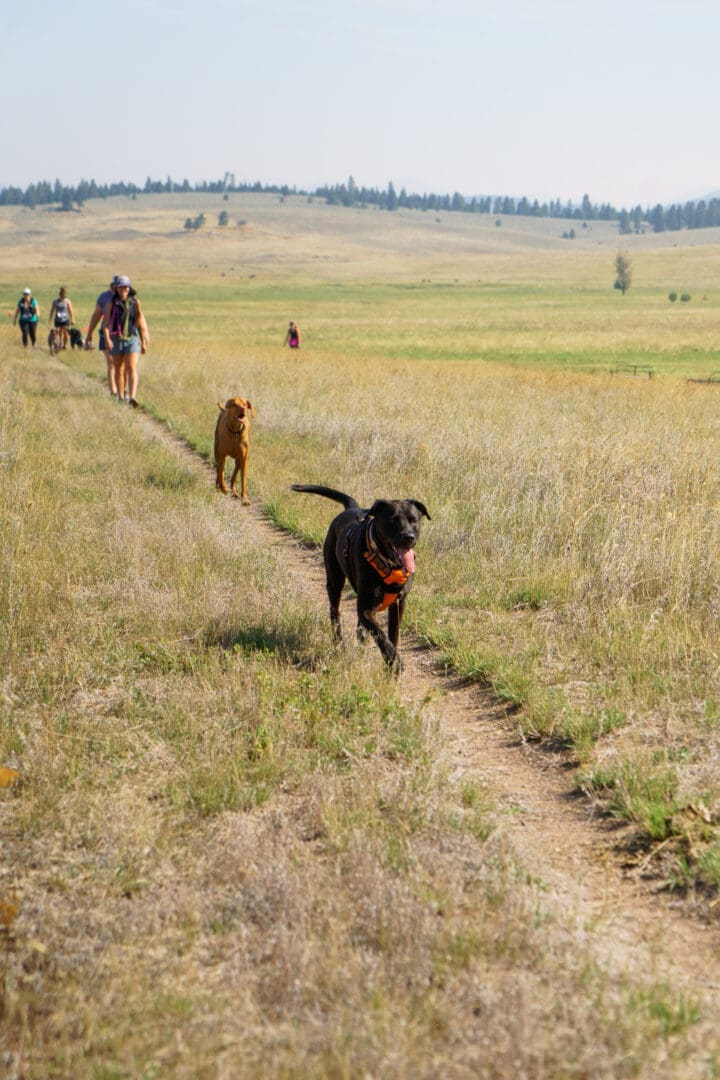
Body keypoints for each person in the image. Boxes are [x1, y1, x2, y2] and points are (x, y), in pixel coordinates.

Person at [102, 276, 149, 407]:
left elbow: (139, 321)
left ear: (129, 288)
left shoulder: (135, 302)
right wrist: (107, 339)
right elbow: (105, 324)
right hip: (116, 338)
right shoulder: (111, 304)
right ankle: (121, 397)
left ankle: (132, 397)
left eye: (126, 286)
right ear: (116, 288)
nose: (124, 289)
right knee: (119, 368)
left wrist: (143, 340)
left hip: (132, 337)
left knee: (131, 366)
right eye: (121, 286)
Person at [86, 278, 118, 397]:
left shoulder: (126, 296)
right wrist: (89, 334)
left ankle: (121, 389)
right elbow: (96, 316)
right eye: (116, 285)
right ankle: (113, 392)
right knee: (111, 362)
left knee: (121, 364)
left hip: (121, 334)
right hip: (106, 333)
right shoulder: (104, 297)